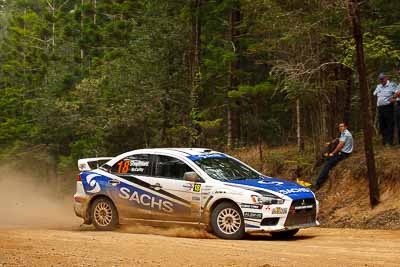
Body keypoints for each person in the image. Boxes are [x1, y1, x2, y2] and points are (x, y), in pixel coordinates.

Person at [314, 122, 353, 191]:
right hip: (343, 152)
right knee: (327, 158)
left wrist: (333, 153)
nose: (340, 128)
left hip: (344, 154)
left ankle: (318, 184)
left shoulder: (346, 134)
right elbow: (339, 139)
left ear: (346, 127)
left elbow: (340, 145)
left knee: (327, 164)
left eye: (342, 126)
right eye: (339, 126)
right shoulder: (344, 133)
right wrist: (331, 142)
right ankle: (321, 177)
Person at [373, 72, 397, 146]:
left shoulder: (392, 85)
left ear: (386, 78)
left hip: (388, 107)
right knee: (382, 124)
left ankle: (390, 142)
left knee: (389, 124)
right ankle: (384, 141)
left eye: (382, 79)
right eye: (380, 79)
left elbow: (397, 93)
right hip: (380, 108)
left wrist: (394, 98)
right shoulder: (378, 86)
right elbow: (375, 93)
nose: (381, 80)